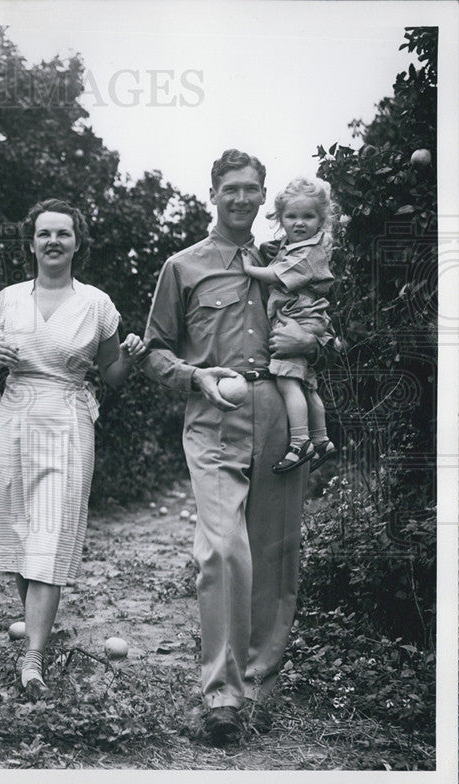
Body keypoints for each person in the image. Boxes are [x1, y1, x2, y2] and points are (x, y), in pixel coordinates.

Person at [141, 149, 330, 744]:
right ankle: (222, 694)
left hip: (278, 405)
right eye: (232, 188)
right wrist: (195, 377)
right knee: (223, 548)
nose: (242, 198)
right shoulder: (184, 266)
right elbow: (153, 349)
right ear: (214, 193)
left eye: (252, 188)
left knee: (276, 550)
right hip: (214, 412)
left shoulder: (287, 258)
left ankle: (261, 684)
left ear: (263, 194)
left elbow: (315, 313)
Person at [0, 199, 147, 699]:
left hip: (68, 419)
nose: (54, 242)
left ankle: (33, 656)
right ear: (31, 243)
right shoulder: (6, 299)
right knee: (17, 531)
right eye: (45, 234)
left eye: (64, 234)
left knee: (50, 536)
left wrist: (133, 358)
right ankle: (37, 629)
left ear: (77, 243)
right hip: (13, 419)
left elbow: (112, 374)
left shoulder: (96, 304)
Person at [242, 177, 338, 473]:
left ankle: (300, 443)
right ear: (281, 219)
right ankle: (322, 440)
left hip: (298, 321)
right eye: (291, 216)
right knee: (307, 385)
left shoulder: (309, 254)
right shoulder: (303, 246)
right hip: (308, 320)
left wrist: (248, 268)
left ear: (321, 219)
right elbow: (282, 255)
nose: (299, 223)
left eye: (308, 216)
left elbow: (277, 275)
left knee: (287, 381)